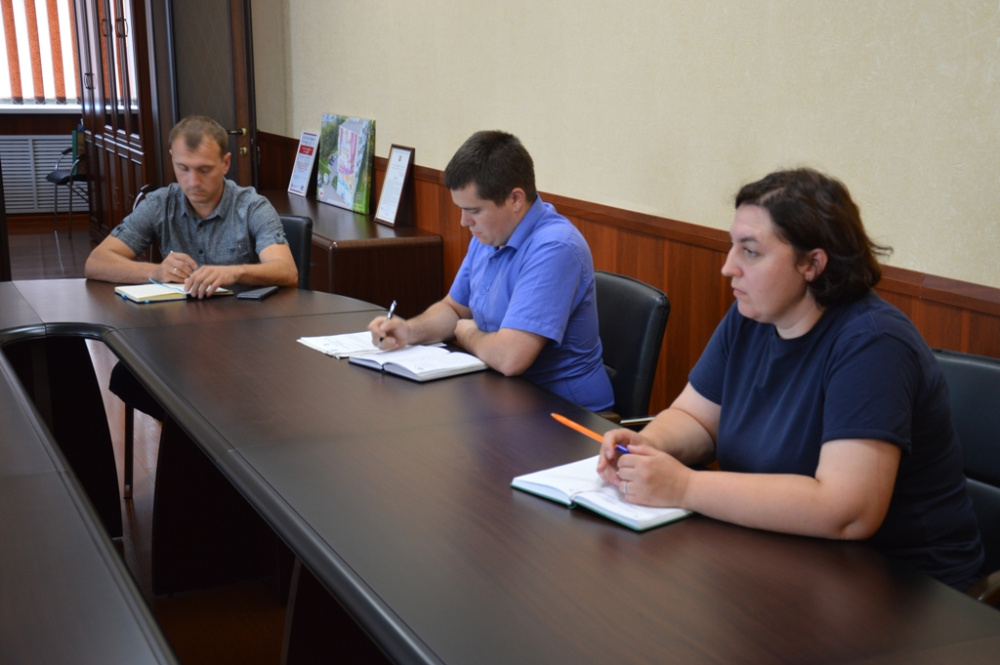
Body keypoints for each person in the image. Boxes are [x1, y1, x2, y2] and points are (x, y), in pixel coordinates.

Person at [598, 168, 984, 590]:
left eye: (750, 252)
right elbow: (697, 419)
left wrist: (684, 486)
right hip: (788, 558)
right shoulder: (751, 315)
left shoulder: (874, 343)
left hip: (902, 589)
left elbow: (847, 511)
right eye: (732, 246)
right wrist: (647, 447)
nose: (728, 267)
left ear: (812, 264)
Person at [369, 130, 613, 411]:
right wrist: (409, 331)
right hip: (505, 398)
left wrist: (467, 334)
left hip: (566, 413)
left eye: (474, 210)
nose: (464, 222)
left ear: (516, 199)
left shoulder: (555, 247)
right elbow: (454, 309)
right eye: (461, 209)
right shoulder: (490, 235)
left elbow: (510, 358)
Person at [85, 115, 297, 295]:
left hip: (244, 319)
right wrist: (156, 272)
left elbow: (287, 270)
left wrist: (235, 272)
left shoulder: (252, 207)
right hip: (179, 319)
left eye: (204, 170)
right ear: (172, 159)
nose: (193, 182)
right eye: (183, 168)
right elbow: (96, 263)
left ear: (225, 163)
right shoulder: (160, 204)